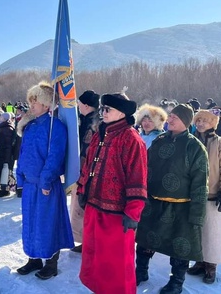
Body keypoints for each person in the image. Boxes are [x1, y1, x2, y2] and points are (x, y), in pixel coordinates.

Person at [77, 92, 148, 294]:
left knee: (115, 264)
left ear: (122, 113)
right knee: (95, 258)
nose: (103, 112)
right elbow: (88, 164)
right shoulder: (100, 134)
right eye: (102, 109)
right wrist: (83, 189)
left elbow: (138, 177)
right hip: (94, 206)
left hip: (117, 214)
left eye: (108, 109)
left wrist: (133, 212)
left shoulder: (131, 139)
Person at [135, 103, 209, 294]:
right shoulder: (159, 140)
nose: (170, 119)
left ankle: (176, 283)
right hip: (153, 203)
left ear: (185, 120)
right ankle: (140, 271)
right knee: (144, 241)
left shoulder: (195, 147)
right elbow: (145, 169)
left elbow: (200, 184)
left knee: (180, 248)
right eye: (170, 115)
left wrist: (197, 215)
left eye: (175, 117)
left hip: (181, 207)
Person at [15, 81, 74, 280]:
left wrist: (46, 181)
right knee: (31, 222)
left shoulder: (55, 127)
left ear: (47, 104)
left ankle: (51, 263)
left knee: (48, 223)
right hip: (31, 185)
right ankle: (34, 258)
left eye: (36, 101)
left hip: (45, 185)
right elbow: (23, 154)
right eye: (31, 101)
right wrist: (20, 177)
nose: (31, 105)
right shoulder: (30, 126)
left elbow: (55, 156)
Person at [188, 110, 221, 284]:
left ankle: (210, 265)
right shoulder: (191, 142)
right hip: (192, 195)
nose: (201, 123)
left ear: (213, 123)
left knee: (213, 233)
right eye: (198, 120)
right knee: (197, 231)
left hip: (212, 196)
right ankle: (199, 261)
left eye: (205, 121)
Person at [69, 90, 100, 253]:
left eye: (79, 103)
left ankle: (90, 240)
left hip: (89, 173)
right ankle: (83, 239)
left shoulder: (96, 123)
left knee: (86, 206)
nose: (77, 106)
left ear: (86, 105)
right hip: (80, 171)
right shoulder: (83, 120)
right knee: (78, 206)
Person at [0, 112, 15, 197]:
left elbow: (8, 145)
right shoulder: (2, 127)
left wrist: (7, 157)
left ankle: (5, 189)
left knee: (5, 171)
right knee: (2, 171)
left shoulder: (7, 129)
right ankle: (2, 188)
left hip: (5, 154)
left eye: (1, 117)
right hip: (2, 153)